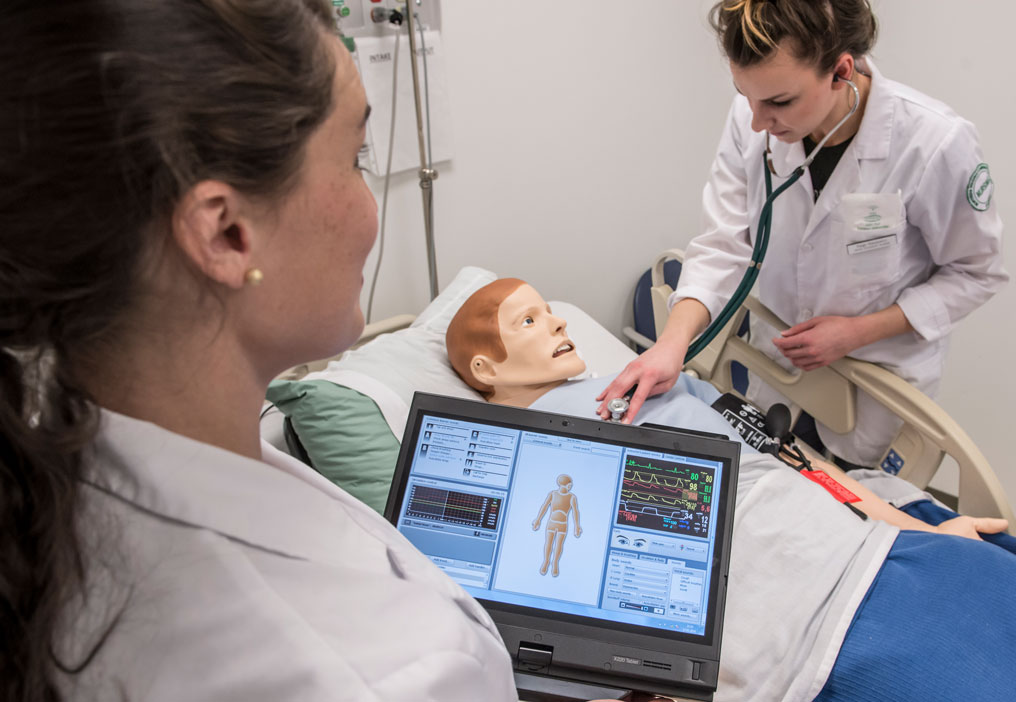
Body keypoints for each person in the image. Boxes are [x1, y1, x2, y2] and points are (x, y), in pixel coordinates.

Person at [0, 2, 519, 701]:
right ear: (225, 235)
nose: (370, 210)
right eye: (354, 156)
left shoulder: (51, 481)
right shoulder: (390, 670)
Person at [446, 278, 1016, 701]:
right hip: (797, 644)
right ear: (485, 369)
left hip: (875, 556)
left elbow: (797, 460)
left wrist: (926, 531)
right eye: (527, 322)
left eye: (551, 313)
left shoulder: (660, 383)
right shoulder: (494, 460)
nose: (558, 324)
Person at [598, 0, 1008, 470]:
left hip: (876, 382)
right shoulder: (752, 118)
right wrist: (670, 348)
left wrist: (856, 332)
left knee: (859, 506)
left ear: (840, 72)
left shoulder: (934, 144)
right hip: (778, 368)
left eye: (779, 102)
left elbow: (976, 273)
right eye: (745, 95)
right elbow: (724, 245)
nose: (757, 122)